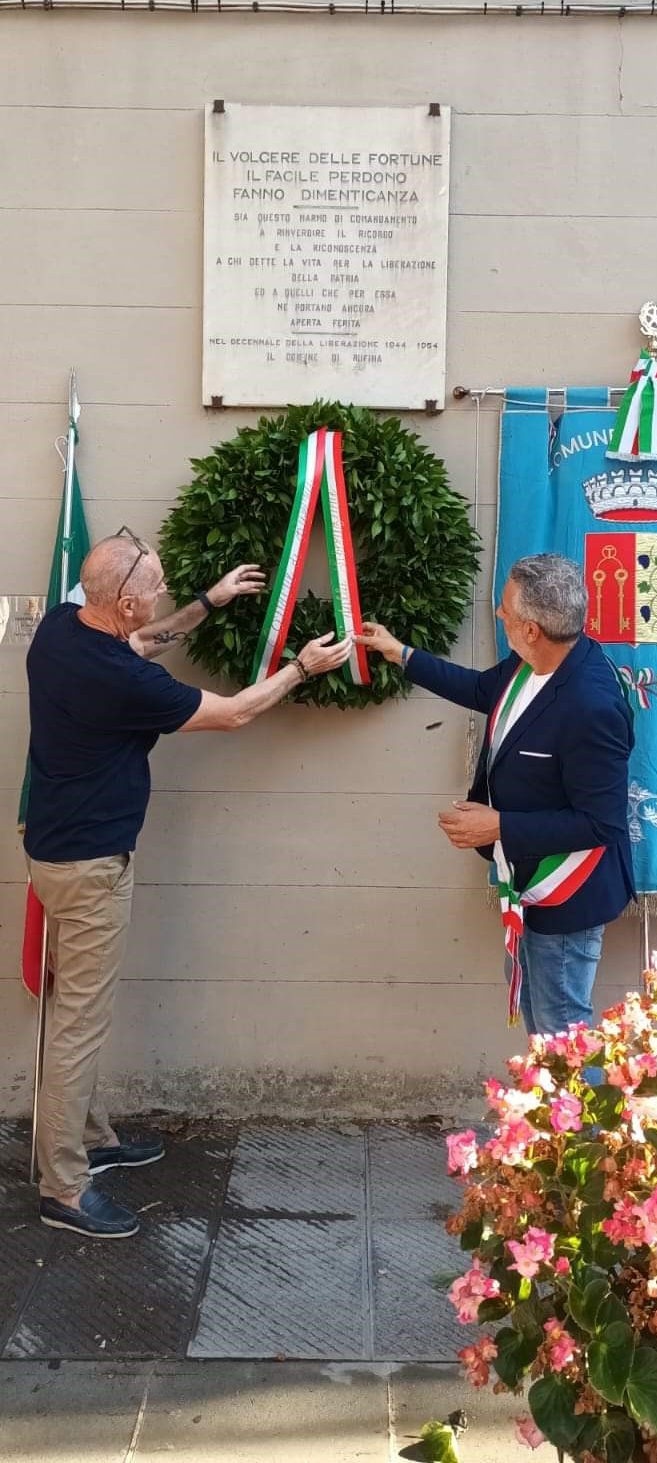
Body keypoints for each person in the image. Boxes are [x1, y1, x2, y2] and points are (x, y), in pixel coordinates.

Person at [25, 528, 352, 1239]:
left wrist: (210, 601)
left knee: (77, 1016)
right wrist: (301, 668)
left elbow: (141, 640)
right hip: (89, 867)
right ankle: (64, 1187)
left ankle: (92, 1142)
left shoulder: (62, 630)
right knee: (79, 1025)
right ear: (128, 603)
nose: (164, 597)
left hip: (58, 855)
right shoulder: (121, 680)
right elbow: (233, 713)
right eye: (159, 591)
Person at [359, 553, 635, 1043]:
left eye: (506, 608)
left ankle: (576, 1122)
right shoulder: (535, 660)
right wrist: (400, 653)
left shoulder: (592, 705)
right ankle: (544, 1120)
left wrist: (498, 825)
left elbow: (602, 823)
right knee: (539, 1019)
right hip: (527, 879)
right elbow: (482, 688)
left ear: (531, 628)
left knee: (562, 1034)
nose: (500, 614)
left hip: (568, 896)